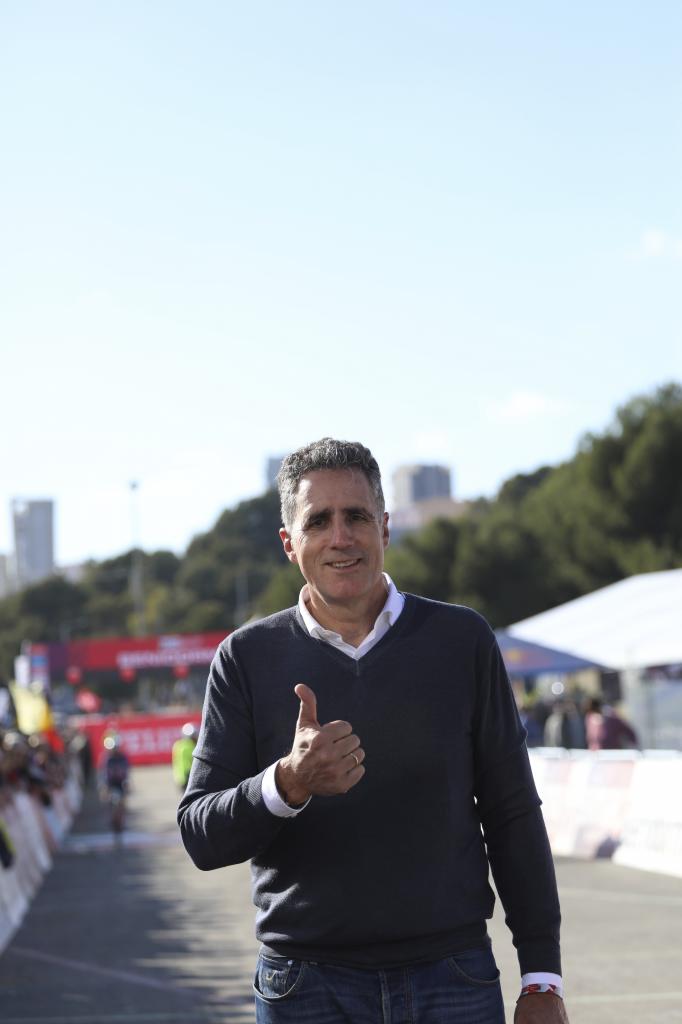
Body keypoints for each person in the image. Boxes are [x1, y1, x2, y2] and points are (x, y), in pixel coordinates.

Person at [179, 438, 569, 1024]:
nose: (341, 537)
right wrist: (286, 784)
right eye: (319, 521)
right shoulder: (245, 658)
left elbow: (512, 811)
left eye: (357, 516)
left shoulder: (461, 641)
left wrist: (541, 976)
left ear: (384, 527)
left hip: (454, 977)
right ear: (290, 543)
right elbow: (199, 834)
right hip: (304, 987)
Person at [172, 722, 198, 791]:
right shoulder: (190, 747)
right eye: (194, 736)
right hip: (188, 777)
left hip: (179, 777)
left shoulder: (178, 745)